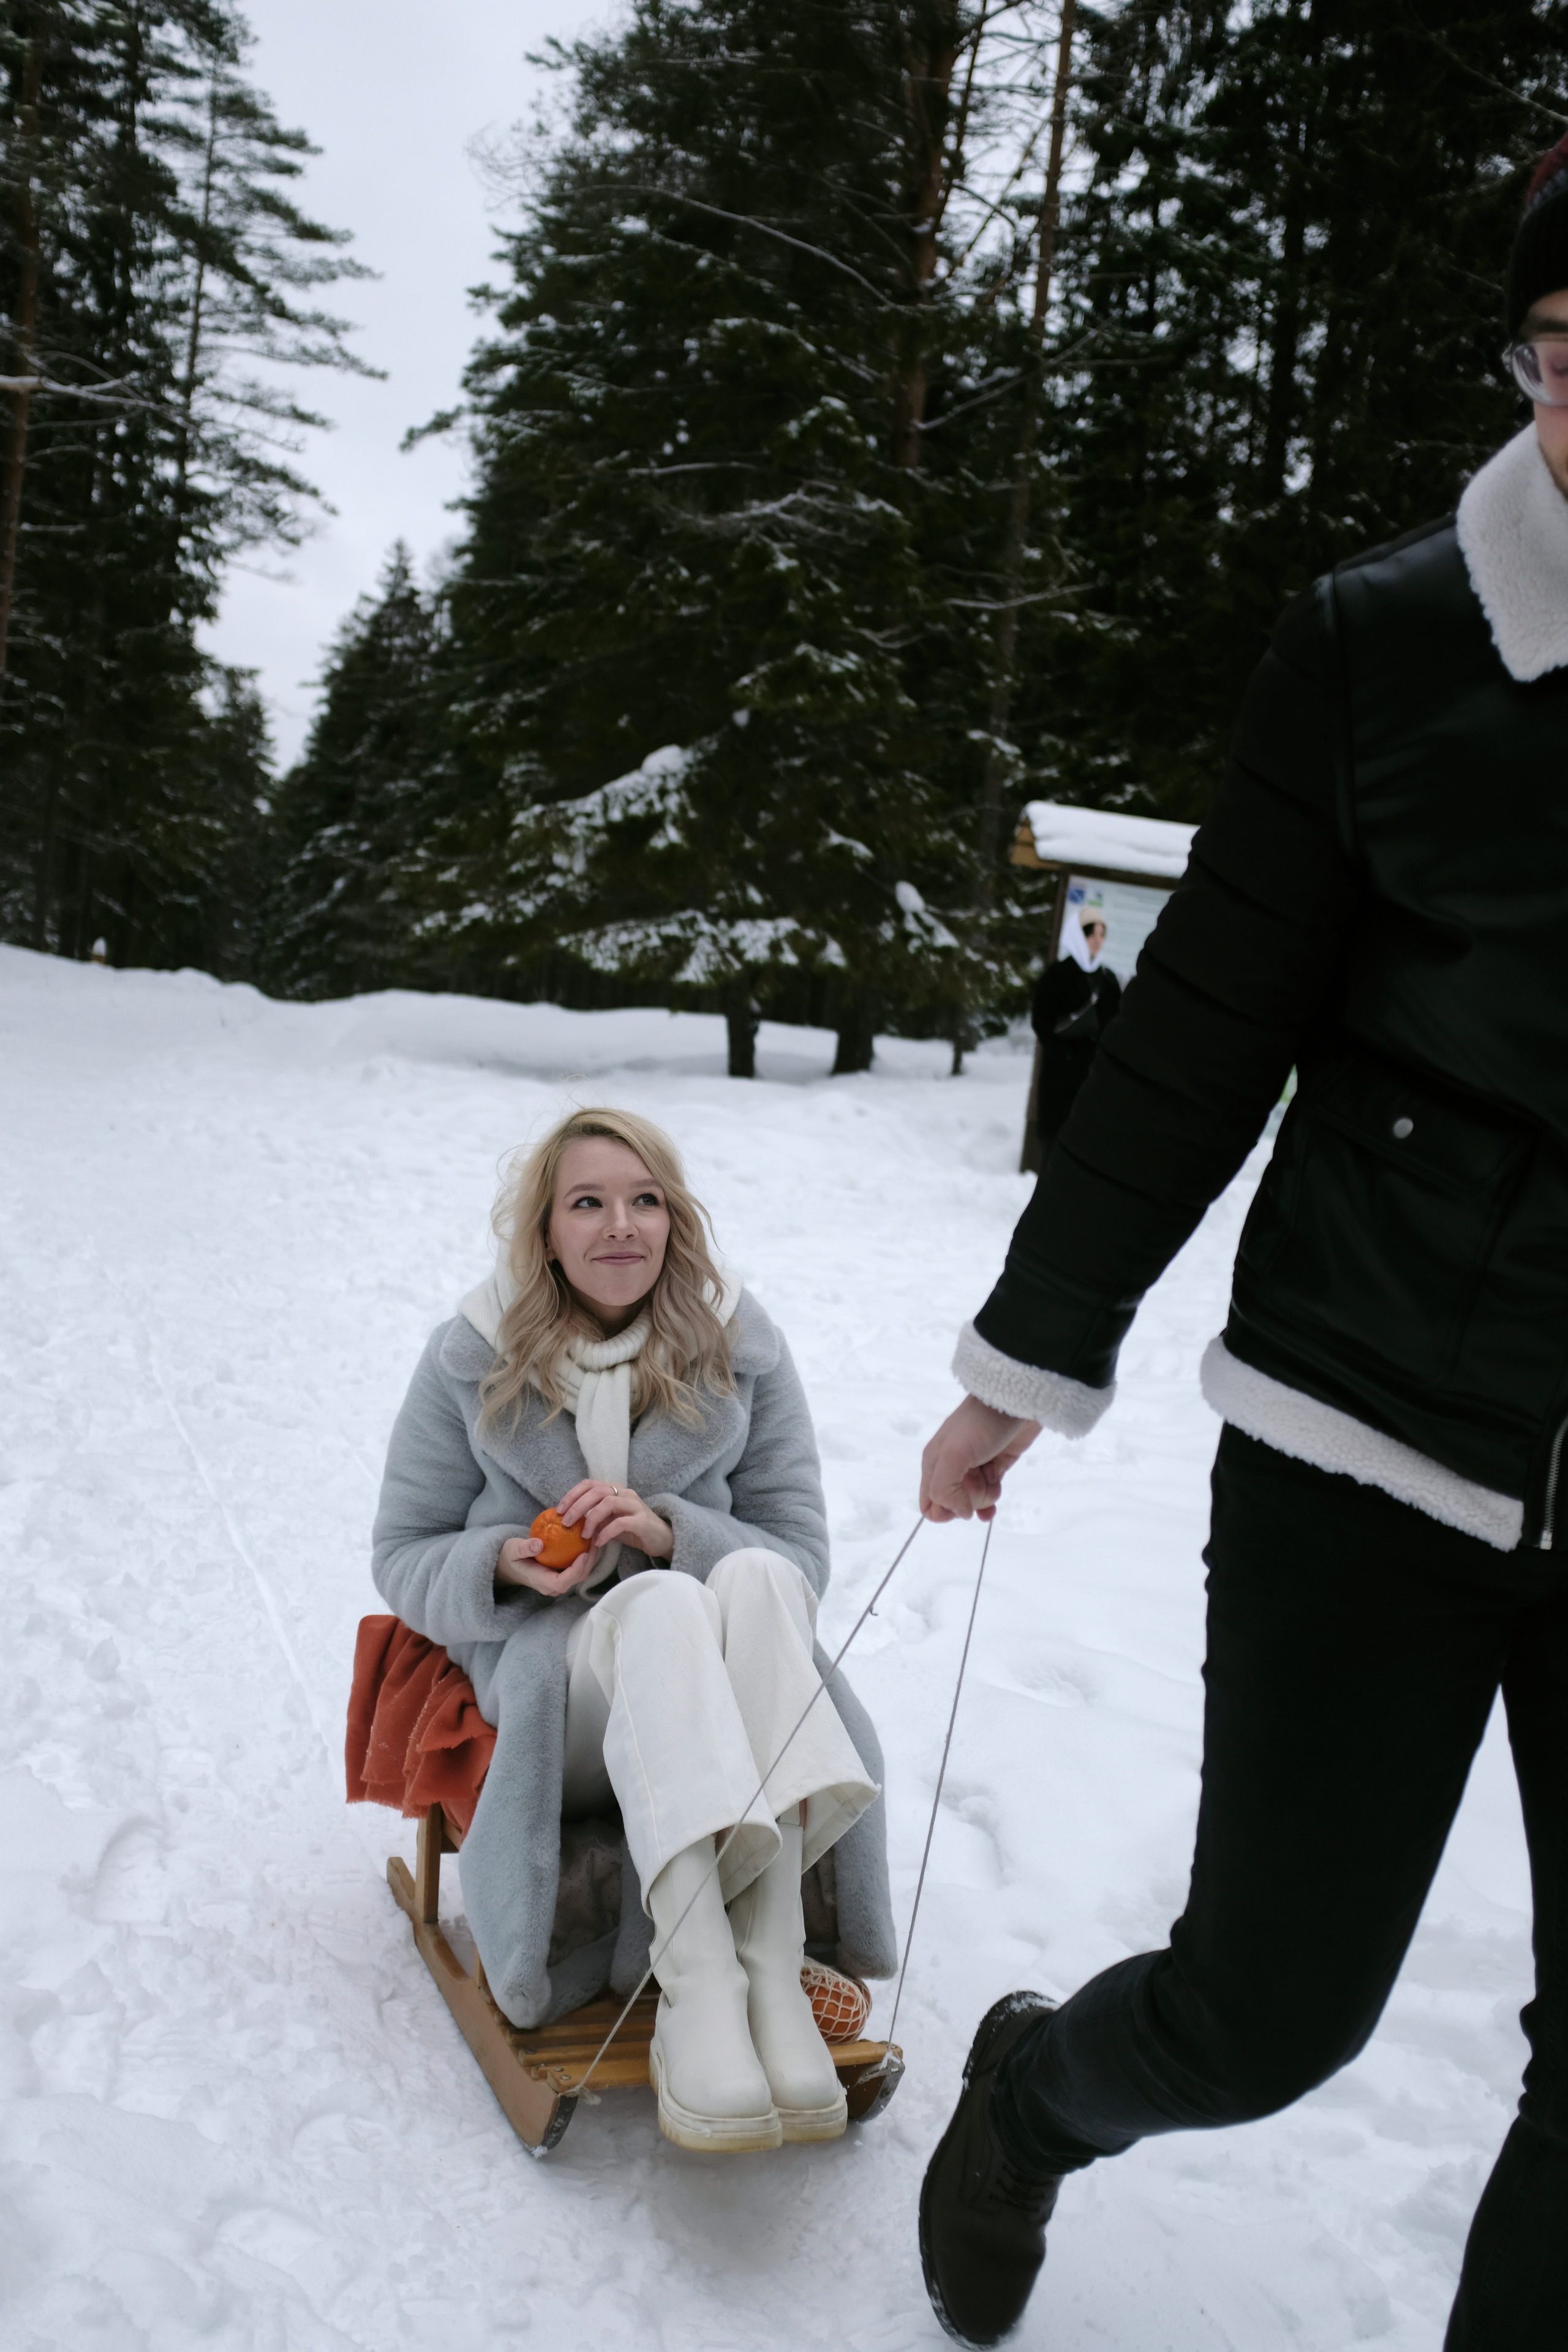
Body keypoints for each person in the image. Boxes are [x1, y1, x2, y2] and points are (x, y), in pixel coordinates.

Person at [915, 133, 1568, 2349]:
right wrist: (1029, 1353)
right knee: (1268, 2007)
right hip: (1365, 1428)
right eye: (1560, 347)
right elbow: (1198, 1031)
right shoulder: (1385, 645)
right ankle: (1033, 2094)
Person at [371, 1106, 895, 2153]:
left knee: (749, 1574)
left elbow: (800, 1559)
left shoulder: (741, 1350)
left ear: (674, 1219)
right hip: (563, 1694)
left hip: (721, 1690)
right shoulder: (471, 1356)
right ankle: (700, 1989)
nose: (621, 1225)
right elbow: (402, 1554)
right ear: (547, 1232)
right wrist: (504, 1561)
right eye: (589, 1203)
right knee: (660, 1605)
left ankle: (768, 1975)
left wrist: (668, 1532)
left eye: (644, 1200)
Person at [1028, 904, 1123, 1164]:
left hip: (1093, 1076)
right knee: (1055, 1144)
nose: (1097, 940)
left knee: (1086, 1147)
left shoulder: (1107, 980)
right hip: (1061, 1075)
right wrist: (1064, 1053)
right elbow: (1041, 1020)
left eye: (1102, 934)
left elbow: (1116, 1024)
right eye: (1091, 933)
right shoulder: (1057, 975)